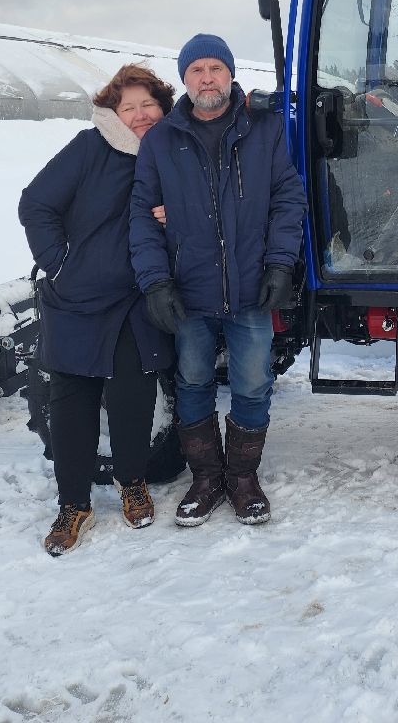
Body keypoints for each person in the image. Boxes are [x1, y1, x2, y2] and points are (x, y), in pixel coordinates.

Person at [130, 34, 305, 526]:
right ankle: (206, 478)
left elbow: (288, 200)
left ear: (230, 74)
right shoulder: (162, 139)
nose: (207, 78)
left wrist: (279, 264)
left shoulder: (262, 129)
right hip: (189, 290)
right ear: (184, 80)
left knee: (253, 383)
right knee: (193, 383)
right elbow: (143, 215)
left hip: (250, 287)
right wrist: (155, 281)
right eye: (197, 70)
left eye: (216, 68)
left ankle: (243, 478)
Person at [18, 64, 177, 556]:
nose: (139, 115)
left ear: (162, 106)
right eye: (127, 107)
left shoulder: (173, 154)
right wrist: (60, 263)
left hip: (136, 298)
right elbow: (35, 204)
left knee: (133, 395)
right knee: (73, 402)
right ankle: (73, 503)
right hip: (78, 298)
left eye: (147, 104)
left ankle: (132, 482)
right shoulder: (90, 148)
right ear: (113, 111)